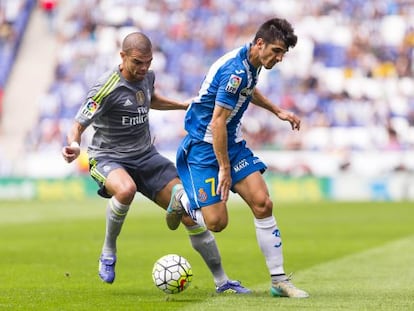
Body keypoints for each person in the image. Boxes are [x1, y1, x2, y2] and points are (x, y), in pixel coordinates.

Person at [61, 31, 250, 294]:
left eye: (148, 62)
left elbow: (150, 99)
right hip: (109, 157)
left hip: (146, 157)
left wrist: (182, 106)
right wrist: (73, 144)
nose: (143, 68)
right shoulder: (106, 86)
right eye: (137, 62)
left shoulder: (147, 77)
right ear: (122, 56)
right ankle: (108, 250)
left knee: (189, 214)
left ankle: (222, 282)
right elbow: (78, 123)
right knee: (125, 190)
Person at [167, 18, 309, 298]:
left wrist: (277, 110)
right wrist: (224, 169)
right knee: (217, 223)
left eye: (282, 54)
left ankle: (279, 281)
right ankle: (181, 199)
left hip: (230, 143)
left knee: (262, 202)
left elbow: (248, 90)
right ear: (260, 43)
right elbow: (217, 121)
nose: (279, 58)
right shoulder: (235, 71)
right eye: (277, 51)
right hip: (204, 147)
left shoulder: (251, 64)